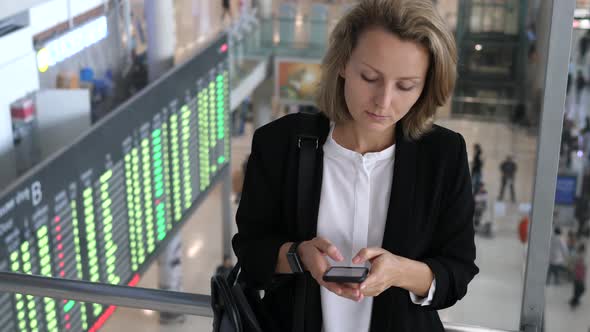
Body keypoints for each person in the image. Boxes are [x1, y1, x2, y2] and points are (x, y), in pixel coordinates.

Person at [232, 1, 479, 331]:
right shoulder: (280, 143)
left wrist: (400, 273)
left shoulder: (443, 155)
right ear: (343, 64)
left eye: (406, 86)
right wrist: (298, 255)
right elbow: (250, 253)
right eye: (370, 77)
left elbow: (457, 272)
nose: (384, 101)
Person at [569, 244, 586, 309]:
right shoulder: (579, 256)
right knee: (581, 289)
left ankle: (574, 300)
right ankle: (574, 301)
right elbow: (578, 266)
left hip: (578, 276)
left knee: (578, 289)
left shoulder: (579, 255)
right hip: (578, 276)